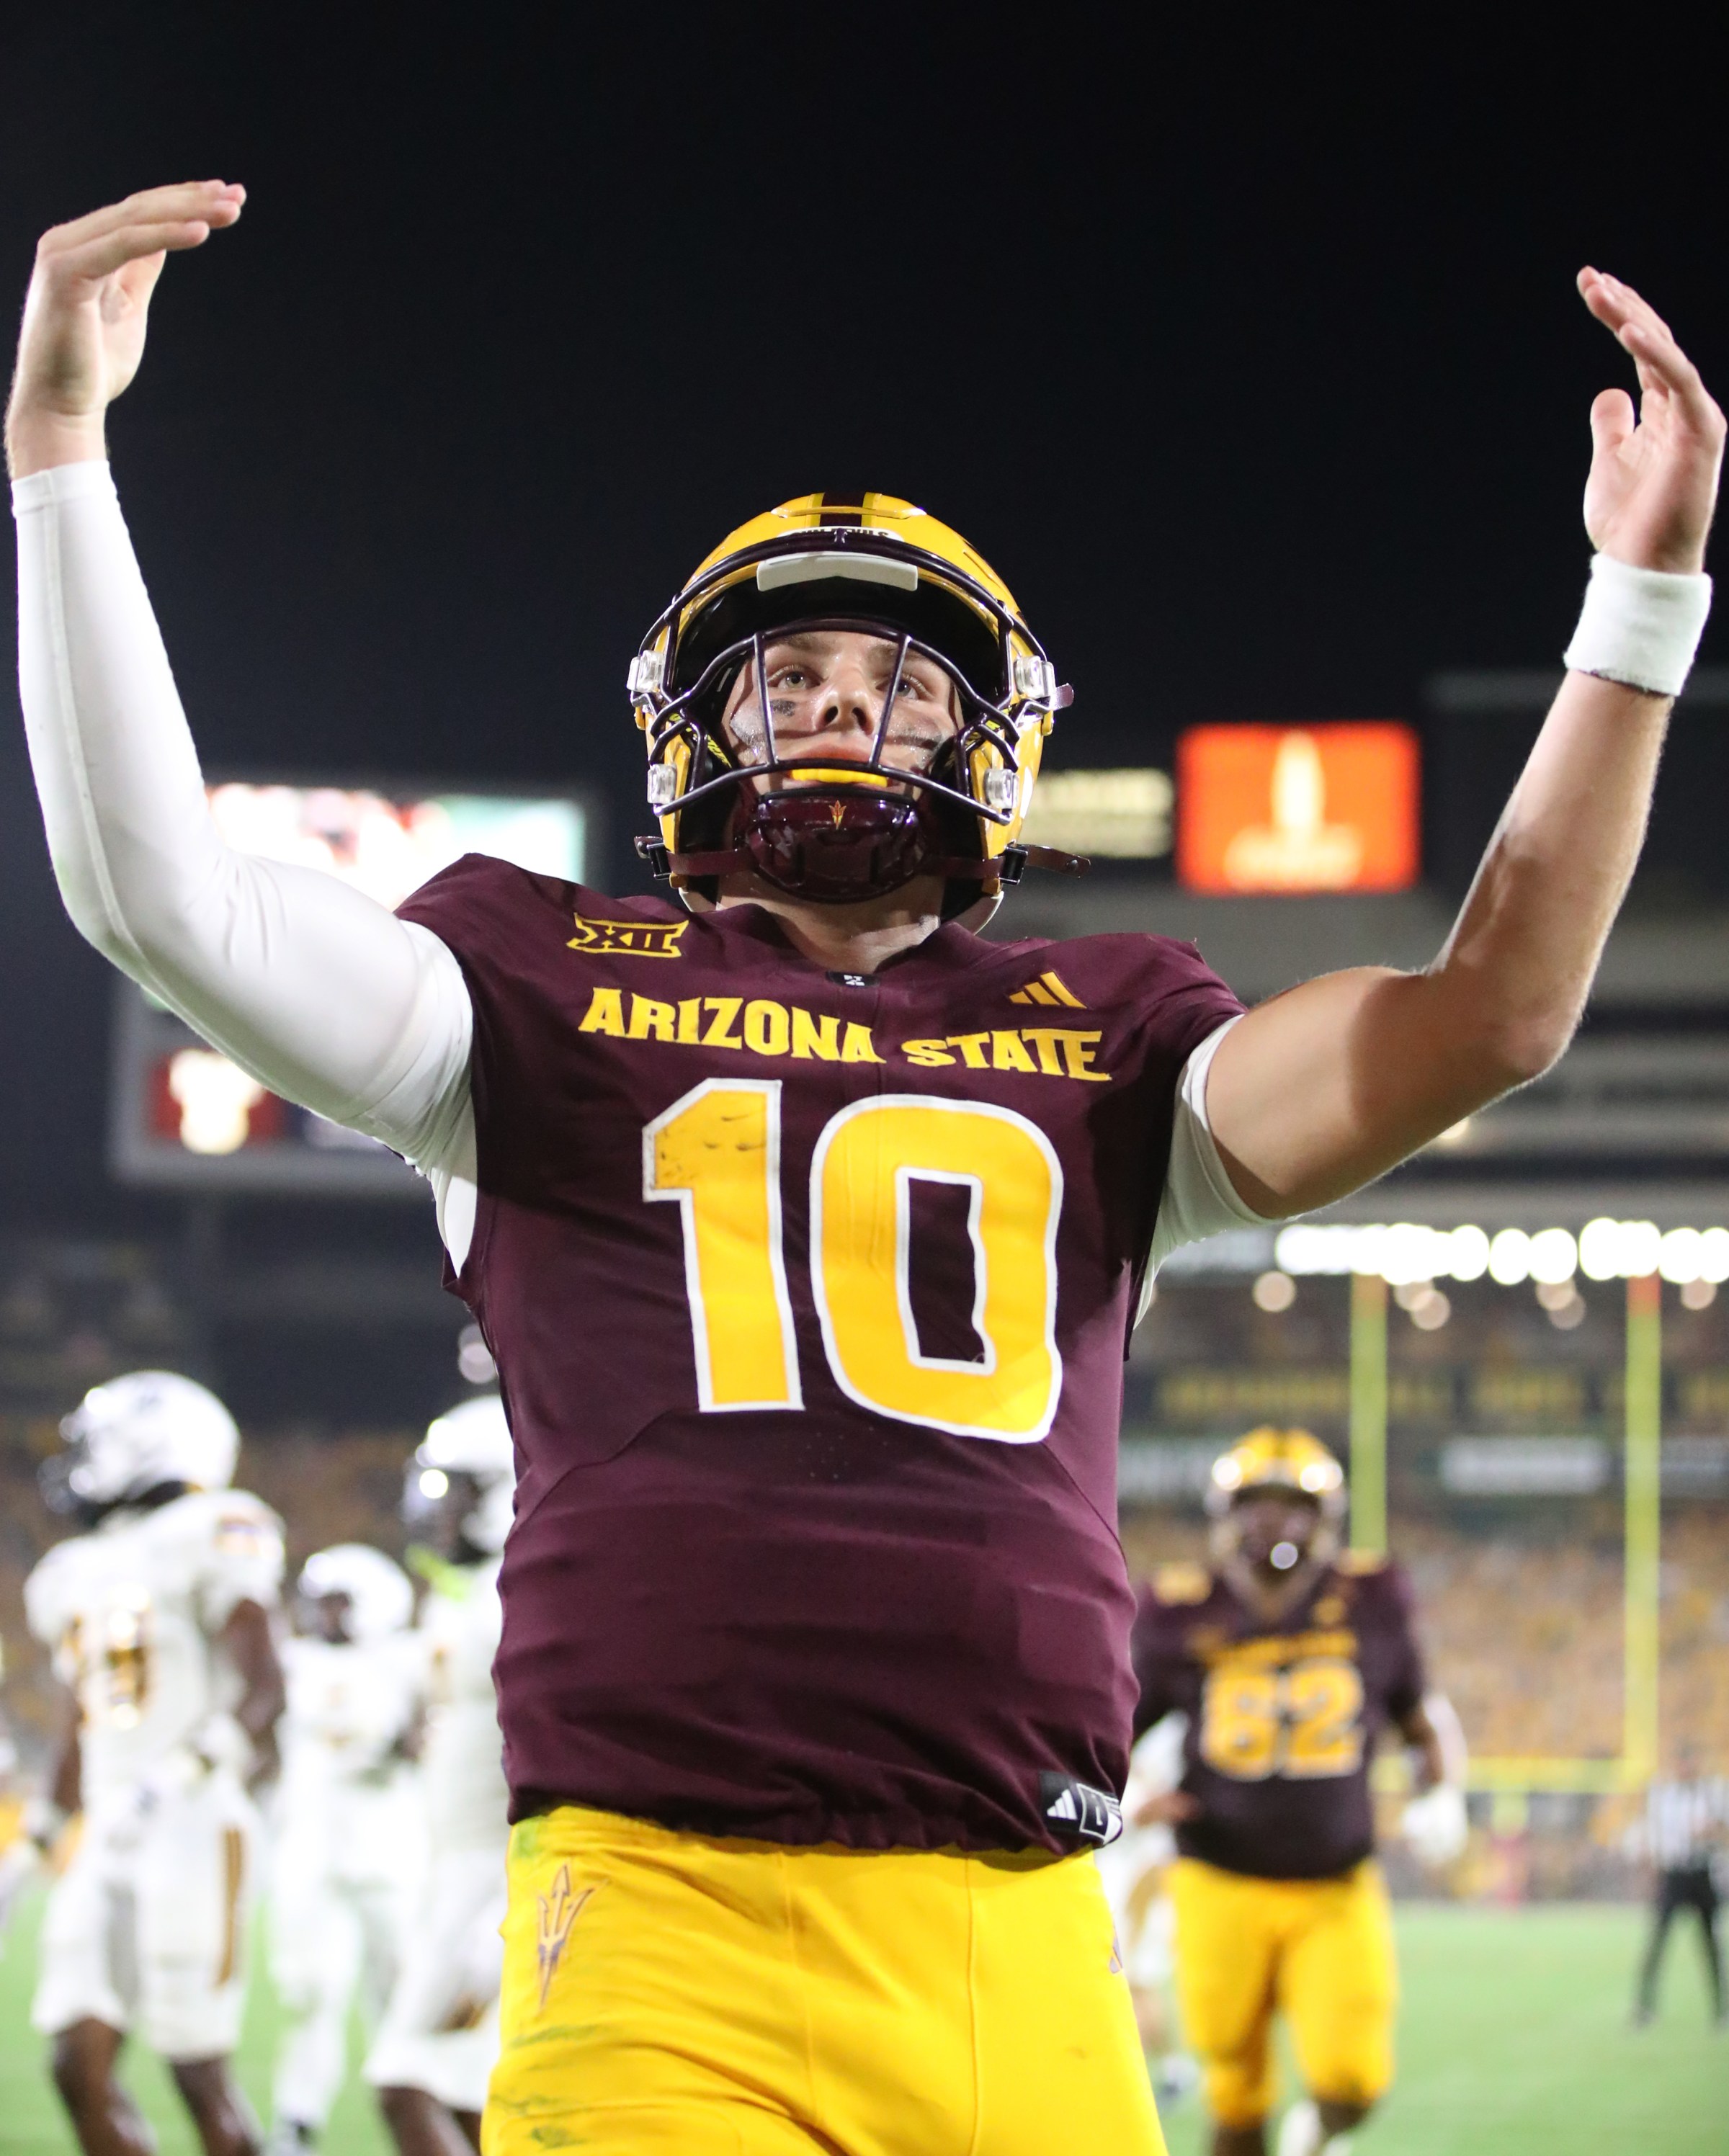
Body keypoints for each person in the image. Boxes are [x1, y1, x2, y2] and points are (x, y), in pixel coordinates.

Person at [6, 180, 1722, 2156]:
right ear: (692, 731)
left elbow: (1491, 1014)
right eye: (789, 674)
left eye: (899, 681)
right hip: (653, 1924)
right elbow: (161, 900)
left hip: (1024, 1931)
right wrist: (62, 451)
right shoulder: (535, 979)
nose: (840, 702)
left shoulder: (1115, 1023)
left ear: (989, 745)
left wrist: (1643, 602)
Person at [1130, 1429, 1469, 2156]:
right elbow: (1110, 1729)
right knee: (1234, 2087)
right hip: (1218, 1875)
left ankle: (1316, 2134)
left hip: (1334, 1880)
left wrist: (1441, 1792)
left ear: (1325, 1516)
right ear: (1226, 1512)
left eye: (1293, 1505)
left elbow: (1421, 1715)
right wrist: (1130, 1796)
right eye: (1256, 1504)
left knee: (1353, 2078)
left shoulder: (1369, 1596)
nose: (1273, 1523)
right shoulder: (1178, 1607)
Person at [22, 1371, 285, 2156]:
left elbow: (269, 1683)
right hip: (111, 1820)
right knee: (74, 2059)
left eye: (95, 1443)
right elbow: (84, 1713)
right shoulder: (73, 1567)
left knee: (194, 2067)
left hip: (193, 1818)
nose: (79, 1461)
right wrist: (42, 1828)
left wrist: (194, 1764)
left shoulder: (216, 1525)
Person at [363, 1400, 514, 2156]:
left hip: (494, 1877)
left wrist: (511, 1900)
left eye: (457, 1492)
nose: (438, 1510)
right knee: (469, 2099)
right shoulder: (463, 1594)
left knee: (406, 2080)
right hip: (457, 1871)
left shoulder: (509, 1593)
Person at [268, 1544, 426, 2156]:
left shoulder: (404, 1659)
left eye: (340, 1600)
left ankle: (415, 2112)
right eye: (322, 1600)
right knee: (310, 1990)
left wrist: (400, 1738)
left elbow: (424, 1736)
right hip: (312, 1846)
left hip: (389, 1849)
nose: (326, 1613)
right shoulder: (295, 1660)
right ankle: (297, 2120)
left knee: (402, 1989)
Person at [1094, 1712, 1199, 2106]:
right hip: (1125, 1888)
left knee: (1133, 1984)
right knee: (1135, 1986)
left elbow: (1152, 1817)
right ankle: (1170, 2068)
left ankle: (1135, 2074)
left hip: (1141, 1890)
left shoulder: (1151, 1766)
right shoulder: (1129, 1776)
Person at [1630, 1743, 1728, 2028]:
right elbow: (1653, 1836)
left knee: (1711, 1945)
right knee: (1657, 1942)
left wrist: (1711, 1832)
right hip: (1674, 1874)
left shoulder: (1714, 1792)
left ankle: (1721, 2009)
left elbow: (1725, 1832)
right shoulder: (1663, 1795)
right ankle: (1644, 2007)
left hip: (1701, 1871)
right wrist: (1652, 1869)